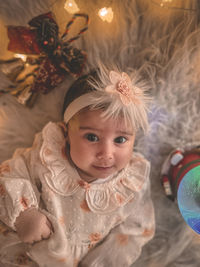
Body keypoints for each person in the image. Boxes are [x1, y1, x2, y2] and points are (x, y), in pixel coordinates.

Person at [0, 64, 155, 267]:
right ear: (66, 133)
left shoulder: (132, 183)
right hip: (26, 253)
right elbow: (8, 175)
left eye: (120, 140)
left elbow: (134, 231)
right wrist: (24, 213)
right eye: (91, 137)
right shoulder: (48, 157)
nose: (106, 153)